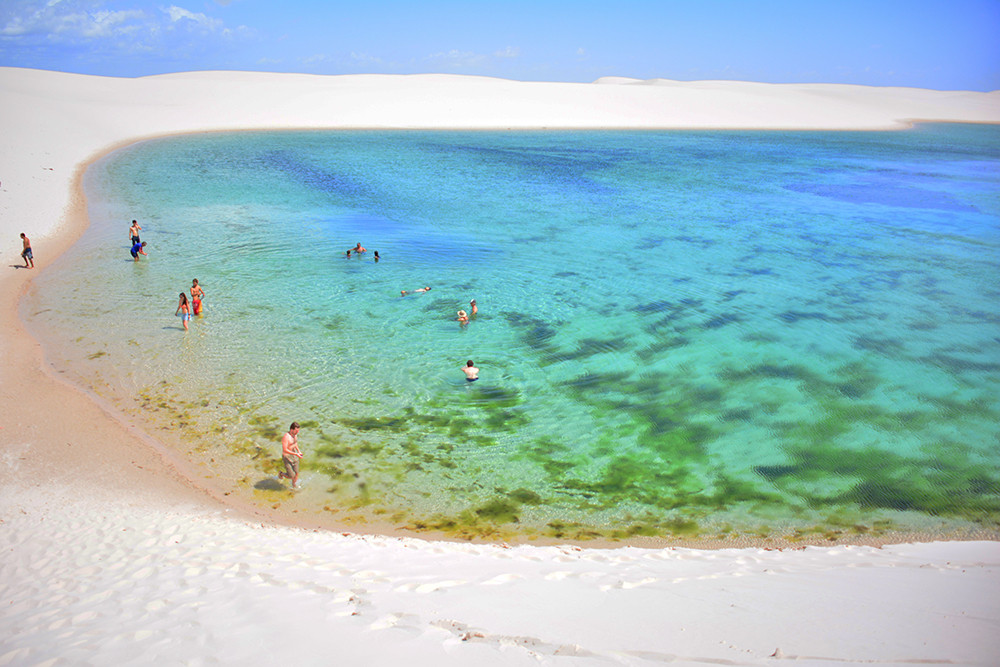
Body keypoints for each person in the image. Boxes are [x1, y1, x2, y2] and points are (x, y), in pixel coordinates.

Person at [278, 422, 304, 489]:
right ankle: (281, 473)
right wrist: (296, 454)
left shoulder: (295, 435)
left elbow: (295, 444)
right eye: (296, 431)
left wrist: (299, 451)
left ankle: (293, 486)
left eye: (298, 430)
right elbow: (285, 449)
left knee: (297, 473)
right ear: (292, 430)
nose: (297, 432)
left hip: (294, 456)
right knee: (291, 476)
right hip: (287, 457)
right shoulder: (286, 437)